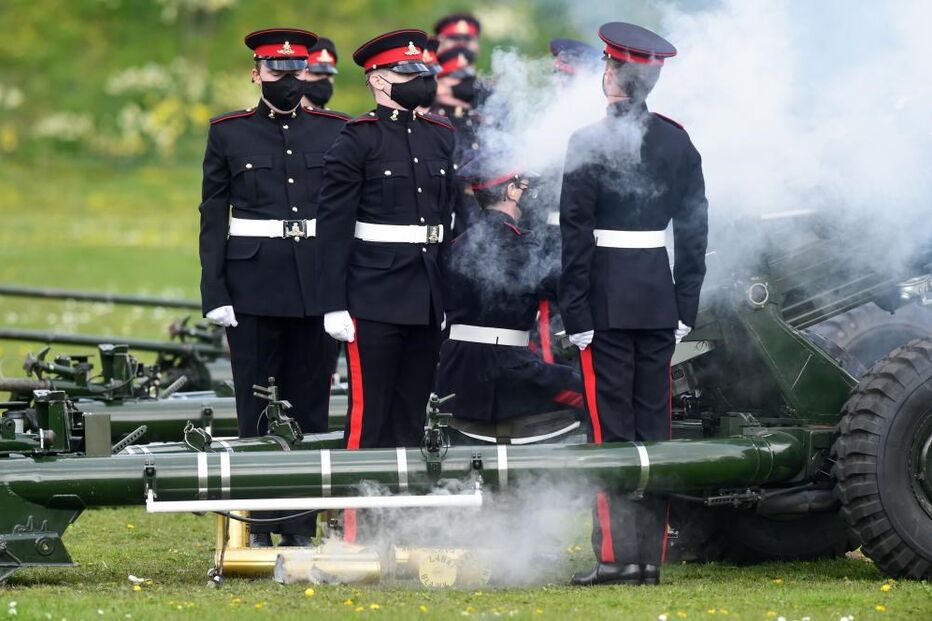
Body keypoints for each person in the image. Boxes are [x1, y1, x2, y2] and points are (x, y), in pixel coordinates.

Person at [559, 22, 708, 586]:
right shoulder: (677, 140)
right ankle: (649, 559)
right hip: (657, 299)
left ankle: (616, 558)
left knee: (610, 433)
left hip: (604, 304)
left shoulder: (586, 141)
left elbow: (574, 237)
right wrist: (684, 306)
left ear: (611, 76)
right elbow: (694, 232)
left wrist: (576, 311)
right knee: (655, 432)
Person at [198, 27, 349, 547]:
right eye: (276, 70)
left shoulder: (335, 130)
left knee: (309, 406)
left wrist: (343, 293)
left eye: (295, 70)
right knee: (256, 410)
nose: (287, 79)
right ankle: (259, 527)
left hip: (315, 287)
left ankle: (299, 526)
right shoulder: (228, 132)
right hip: (253, 286)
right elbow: (213, 214)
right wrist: (213, 291)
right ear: (256, 72)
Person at [315, 29, 455, 541]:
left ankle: (403, 527)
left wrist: (445, 295)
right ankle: (358, 530)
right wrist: (334, 303)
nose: (421, 82)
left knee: (412, 416)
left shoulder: (441, 135)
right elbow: (331, 230)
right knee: (369, 420)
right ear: (378, 80)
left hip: (425, 294)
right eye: (408, 75)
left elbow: (446, 224)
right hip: (371, 296)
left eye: (424, 74)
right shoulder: (357, 139)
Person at [436, 155, 584, 424]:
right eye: (526, 186)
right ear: (511, 190)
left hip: (455, 370)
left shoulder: (458, 244)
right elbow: (567, 288)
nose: (532, 194)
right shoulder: (521, 246)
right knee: (596, 393)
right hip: (508, 371)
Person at [302, 36, 340, 110]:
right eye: (317, 73)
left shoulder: (334, 120)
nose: (324, 79)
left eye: (329, 74)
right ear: (299, 74)